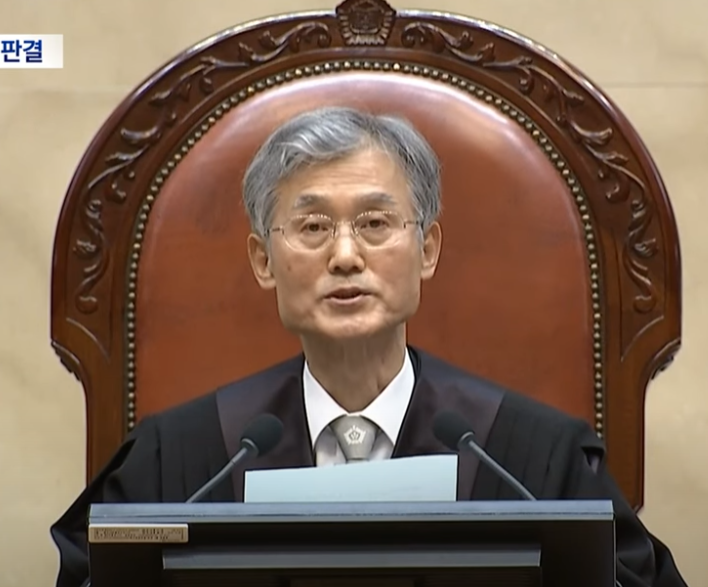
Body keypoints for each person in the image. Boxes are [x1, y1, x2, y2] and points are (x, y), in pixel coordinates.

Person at [50, 107, 688, 587]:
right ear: (264, 261)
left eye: (376, 223)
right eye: (312, 226)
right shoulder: (180, 463)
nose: (345, 255)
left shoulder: (531, 462)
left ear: (427, 250)